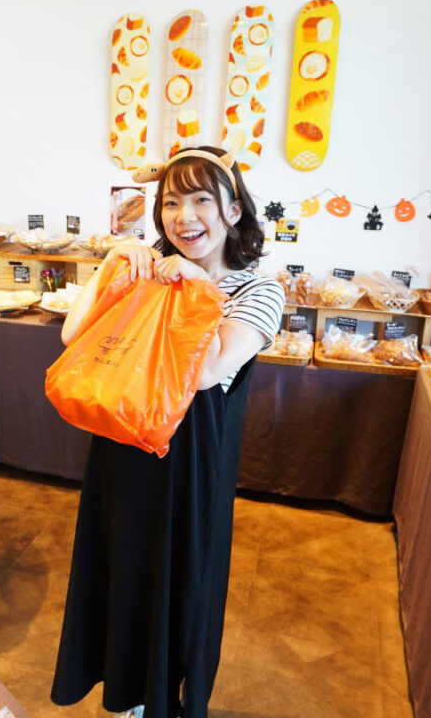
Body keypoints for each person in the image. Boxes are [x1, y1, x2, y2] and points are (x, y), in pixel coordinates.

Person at [51, 146, 285, 718]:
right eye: (172, 203)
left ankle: (162, 699)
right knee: (119, 569)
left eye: (202, 200)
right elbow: (73, 335)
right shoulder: (148, 269)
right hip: (121, 447)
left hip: (190, 467)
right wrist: (113, 263)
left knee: (177, 582)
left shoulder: (258, 292)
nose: (185, 217)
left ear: (233, 210)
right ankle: (125, 694)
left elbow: (206, 372)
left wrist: (198, 286)